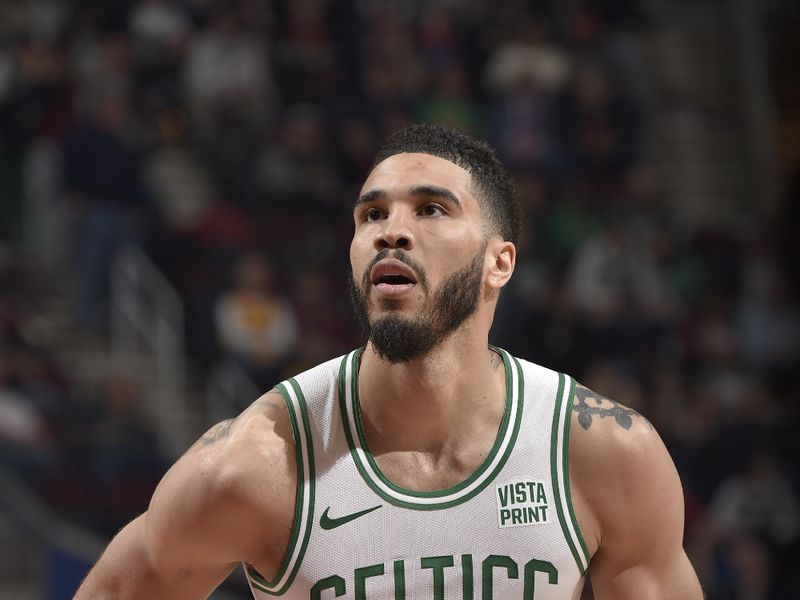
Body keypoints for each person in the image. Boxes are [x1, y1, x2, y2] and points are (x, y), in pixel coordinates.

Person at [75, 124, 703, 599]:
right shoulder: (257, 464)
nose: (390, 231)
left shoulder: (600, 453)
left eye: (430, 209)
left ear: (499, 262)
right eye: (371, 214)